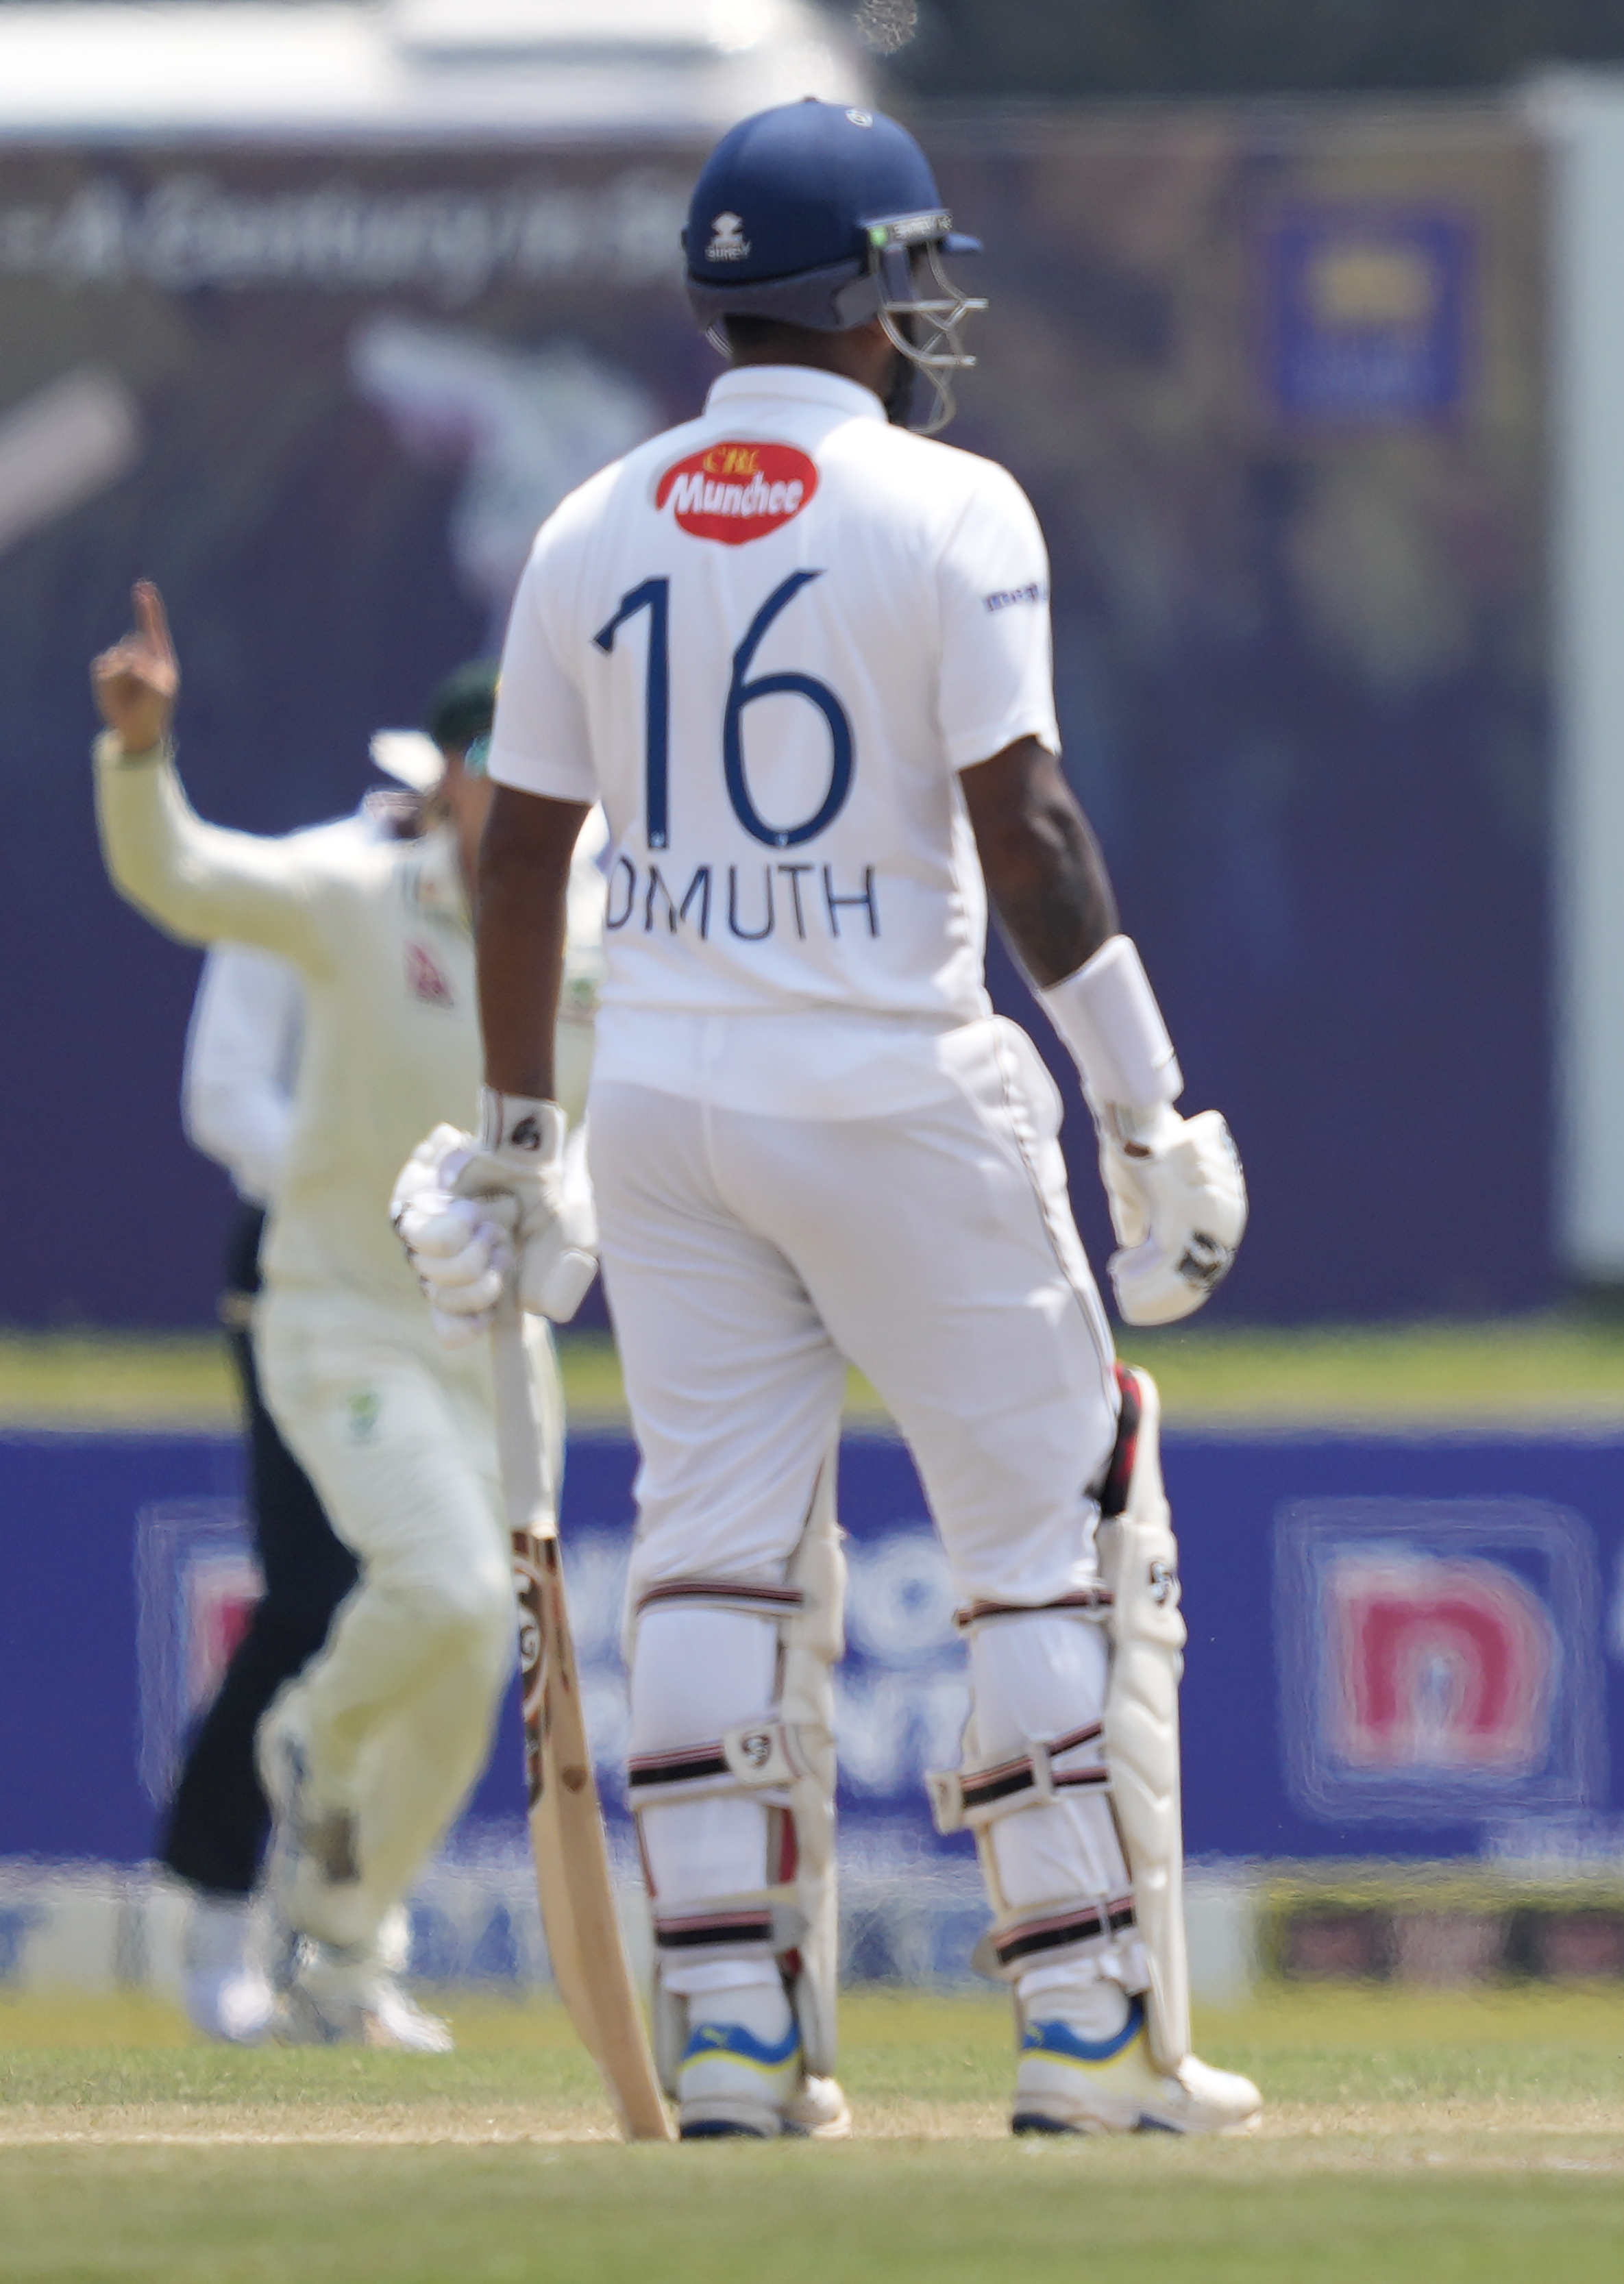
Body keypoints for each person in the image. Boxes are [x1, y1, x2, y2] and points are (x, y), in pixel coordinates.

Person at [395, 97, 1256, 2141]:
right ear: (869, 293)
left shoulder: (587, 521)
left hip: (672, 1097)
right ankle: (1083, 2032)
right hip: (893, 1084)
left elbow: (520, 861)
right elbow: (1029, 833)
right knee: (1057, 1537)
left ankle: (737, 2038)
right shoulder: (957, 508)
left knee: (713, 1558)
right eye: (914, 277)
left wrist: (520, 1133)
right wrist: (1143, 1100)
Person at [95, 609, 601, 2049]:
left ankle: (340, 1947)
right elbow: (181, 871)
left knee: (479, 1649)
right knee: (436, 1594)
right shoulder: (357, 892)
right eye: (493, 762)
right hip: (338, 1317)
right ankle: (303, 1736)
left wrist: (573, 1212)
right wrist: (142, 755)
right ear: (443, 780)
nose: (516, 790)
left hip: (492, 1346)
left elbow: (615, 1129)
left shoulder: (605, 930)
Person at [159, 723, 450, 2043]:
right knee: (313, 1593)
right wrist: (367, 1203)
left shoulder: (528, 900)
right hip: (301, 1266)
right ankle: (221, 1919)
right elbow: (226, 1097)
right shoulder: (308, 883)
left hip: (447, 1283)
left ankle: (344, 1949)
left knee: (429, 1605)